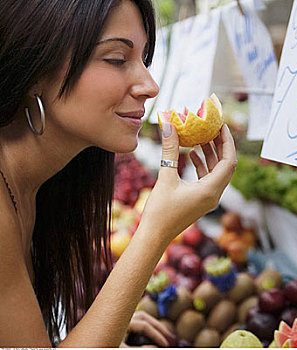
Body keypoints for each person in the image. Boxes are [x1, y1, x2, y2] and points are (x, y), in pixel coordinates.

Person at [0, 0, 236, 347]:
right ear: (35, 66)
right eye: (116, 59)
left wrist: (102, 328)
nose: (150, 85)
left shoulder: (40, 184)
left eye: (144, 60)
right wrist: (156, 230)